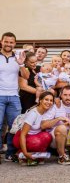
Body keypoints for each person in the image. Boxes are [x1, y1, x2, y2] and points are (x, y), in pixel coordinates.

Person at [0, 32, 27, 161]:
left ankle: (10, 153)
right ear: (1, 41)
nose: (8, 44)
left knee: (14, 126)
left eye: (11, 42)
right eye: (6, 41)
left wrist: (21, 64)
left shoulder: (18, 58)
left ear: (14, 44)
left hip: (14, 96)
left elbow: (26, 76)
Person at [13, 92, 53, 166]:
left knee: (47, 136)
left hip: (34, 136)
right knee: (36, 142)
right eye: (46, 99)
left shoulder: (47, 112)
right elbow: (23, 134)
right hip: (21, 137)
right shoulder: (33, 114)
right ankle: (22, 153)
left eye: (51, 100)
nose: (49, 102)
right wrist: (25, 152)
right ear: (40, 100)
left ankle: (37, 156)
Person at [41, 85, 70, 165]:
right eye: (65, 95)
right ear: (60, 95)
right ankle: (61, 157)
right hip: (55, 138)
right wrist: (58, 119)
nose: (67, 97)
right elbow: (43, 125)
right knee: (62, 128)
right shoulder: (55, 105)